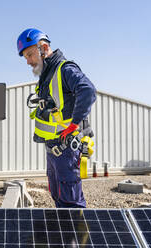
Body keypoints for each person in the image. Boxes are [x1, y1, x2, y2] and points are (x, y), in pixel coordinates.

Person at [17, 28, 96, 208]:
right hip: (53, 148)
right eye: (25, 58)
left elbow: (88, 90)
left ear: (43, 48)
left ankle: (74, 236)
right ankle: (64, 236)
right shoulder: (47, 75)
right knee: (58, 196)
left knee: (71, 203)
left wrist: (74, 124)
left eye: (30, 55)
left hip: (66, 148)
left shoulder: (65, 69)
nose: (28, 61)